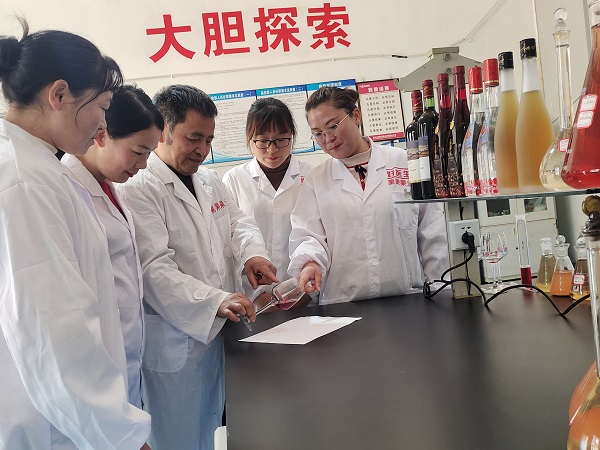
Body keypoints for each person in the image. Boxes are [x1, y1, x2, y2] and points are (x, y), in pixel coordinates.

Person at [0, 22, 151, 449]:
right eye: (102, 107)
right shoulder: (24, 179)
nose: (103, 125)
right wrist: (121, 436)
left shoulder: (38, 167)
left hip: (73, 419)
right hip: (57, 427)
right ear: (60, 95)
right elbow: (55, 331)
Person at [117, 84, 278, 450]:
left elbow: (237, 222)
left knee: (222, 432)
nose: (203, 150)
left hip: (221, 336)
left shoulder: (208, 179)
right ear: (163, 130)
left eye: (208, 140)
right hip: (178, 344)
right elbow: (153, 269)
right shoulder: (139, 186)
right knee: (181, 438)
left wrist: (252, 254)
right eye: (194, 138)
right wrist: (214, 300)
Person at [289, 86, 450, 304]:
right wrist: (310, 263)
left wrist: (441, 290)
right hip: (343, 306)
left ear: (356, 115)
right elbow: (308, 235)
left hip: (407, 300)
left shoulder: (403, 162)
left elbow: (432, 231)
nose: (328, 138)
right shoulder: (316, 180)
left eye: (333, 126)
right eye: (318, 133)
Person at [61, 85, 164, 409]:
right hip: (96, 364)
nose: (144, 164)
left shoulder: (108, 185)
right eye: (138, 152)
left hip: (126, 354)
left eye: (149, 153)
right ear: (102, 134)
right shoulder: (66, 189)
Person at [222, 97, 313, 308]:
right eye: (262, 141)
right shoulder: (234, 179)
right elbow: (230, 241)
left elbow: (317, 235)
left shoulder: (310, 176)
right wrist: (257, 295)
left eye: (281, 140)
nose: (272, 150)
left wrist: (304, 292)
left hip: (304, 292)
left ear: (292, 136)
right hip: (252, 297)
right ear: (250, 138)